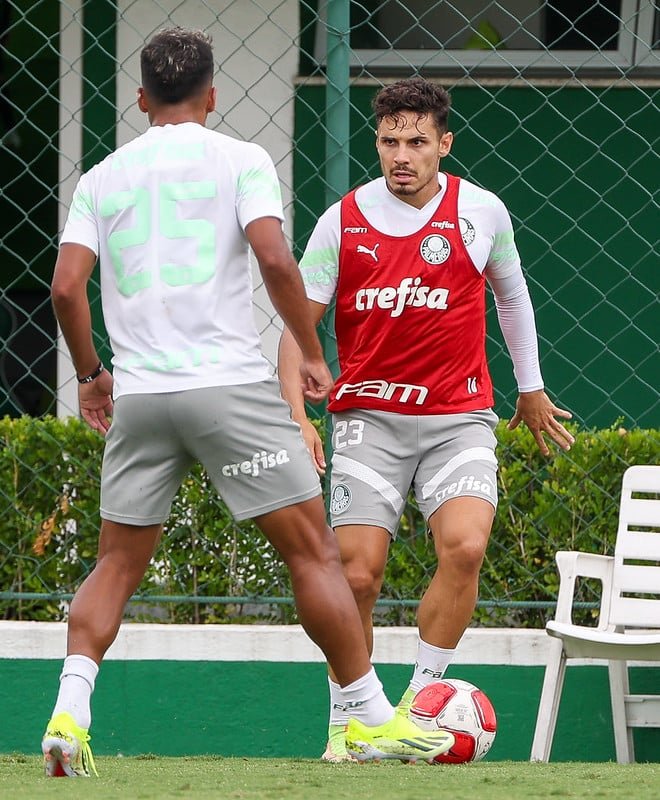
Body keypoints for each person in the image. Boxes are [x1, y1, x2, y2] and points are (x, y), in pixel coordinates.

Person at [42, 32, 455, 777]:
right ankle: (366, 717)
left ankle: (71, 707)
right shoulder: (242, 159)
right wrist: (313, 349)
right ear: (211, 96)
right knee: (313, 553)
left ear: (140, 100)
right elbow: (273, 258)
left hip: (140, 396)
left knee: (114, 564)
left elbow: (65, 287)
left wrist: (91, 375)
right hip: (229, 388)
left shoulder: (103, 176)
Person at [278, 76, 575, 762]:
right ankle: (348, 723)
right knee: (356, 577)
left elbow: (513, 297)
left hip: (458, 415)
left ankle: (418, 706)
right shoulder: (342, 221)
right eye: (389, 142)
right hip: (368, 420)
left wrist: (529, 387)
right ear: (376, 144)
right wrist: (295, 410)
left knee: (466, 547)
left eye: (417, 142)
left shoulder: (482, 212)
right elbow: (298, 326)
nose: (401, 155)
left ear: (444, 144)